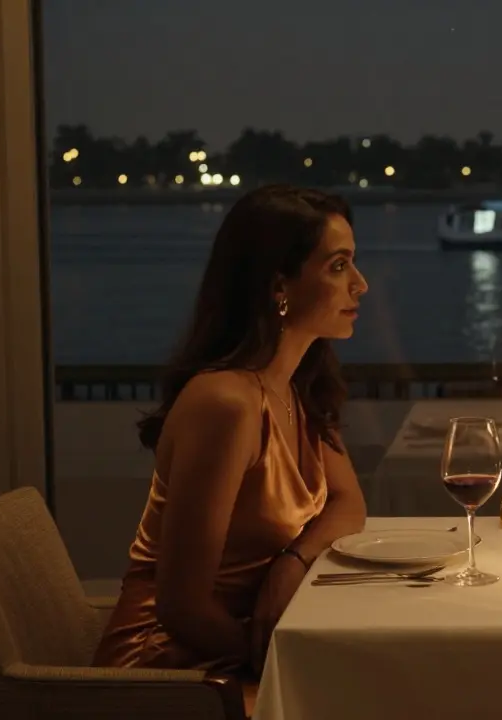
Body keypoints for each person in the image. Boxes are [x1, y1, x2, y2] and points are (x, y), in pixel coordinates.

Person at [94, 185, 370, 713]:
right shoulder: (227, 403)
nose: (361, 284)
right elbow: (181, 608)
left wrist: (291, 564)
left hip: (238, 649)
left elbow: (347, 504)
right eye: (338, 266)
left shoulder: (293, 384)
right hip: (174, 674)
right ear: (278, 286)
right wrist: (294, 655)